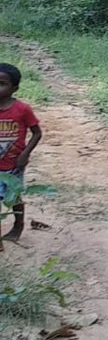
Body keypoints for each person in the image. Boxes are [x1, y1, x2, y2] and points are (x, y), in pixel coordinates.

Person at [0, 63, 42, 241]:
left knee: (13, 197)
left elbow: (37, 133)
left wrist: (25, 154)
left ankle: (18, 226)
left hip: (13, 164)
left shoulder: (22, 110)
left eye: (2, 83)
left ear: (14, 88)